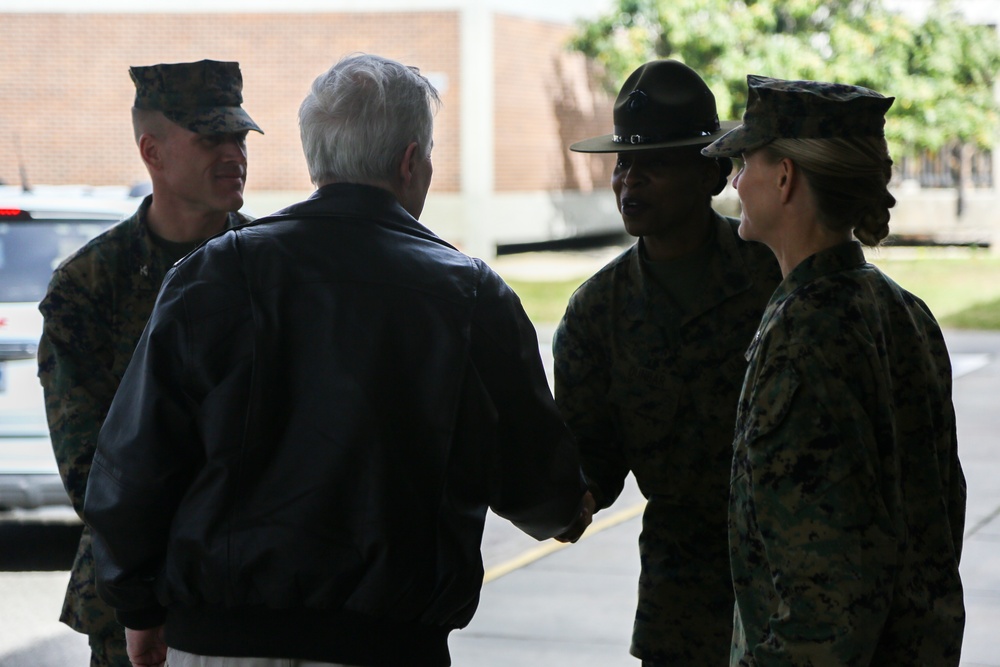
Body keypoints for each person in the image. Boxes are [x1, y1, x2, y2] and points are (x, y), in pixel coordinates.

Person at [82, 53, 593, 667]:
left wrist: (137, 609)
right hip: (387, 648)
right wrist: (570, 507)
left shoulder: (211, 275)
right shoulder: (470, 296)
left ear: (314, 158)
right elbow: (536, 481)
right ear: (410, 161)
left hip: (215, 644)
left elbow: (133, 466)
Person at [702, 75, 967, 665]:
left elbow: (825, 601)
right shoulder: (903, 310)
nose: (737, 181)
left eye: (745, 162)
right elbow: (941, 512)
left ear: (786, 177)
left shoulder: (803, 335)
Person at [553, 60, 782, 665]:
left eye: (653, 165)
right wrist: (545, 495)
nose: (630, 182)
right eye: (623, 164)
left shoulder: (775, 274)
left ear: (712, 174)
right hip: (681, 599)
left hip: (797, 582)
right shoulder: (596, 312)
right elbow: (588, 466)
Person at [36, 59, 262, 667]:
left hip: (260, 589)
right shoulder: (90, 285)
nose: (233, 154)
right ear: (152, 152)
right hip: (138, 604)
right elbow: (92, 470)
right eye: (211, 137)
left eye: (239, 137)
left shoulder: (276, 269)